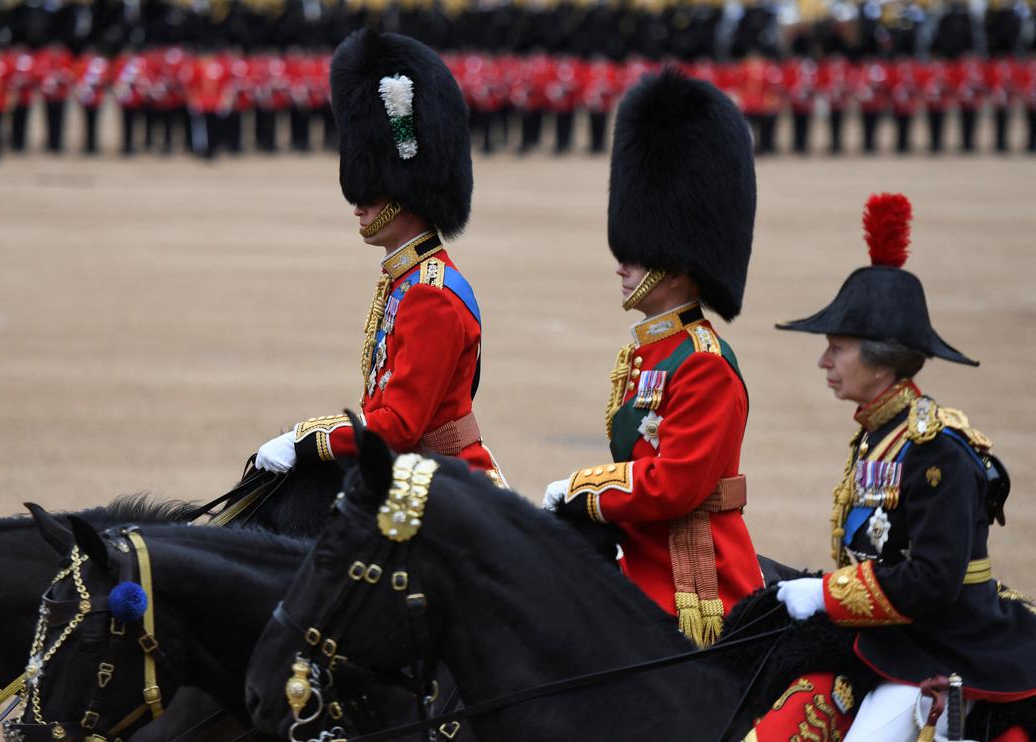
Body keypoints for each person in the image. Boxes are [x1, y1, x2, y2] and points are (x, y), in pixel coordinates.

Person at [757, 193, 1036, 742]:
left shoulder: (935, 449)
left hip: (945, 645)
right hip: (889, 637)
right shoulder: (881, 433)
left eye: (837, 348)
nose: (824, 361)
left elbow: (933, 581)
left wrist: (826, 594)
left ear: (881, 361)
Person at [544, 69, 763, 649]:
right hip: (640, 554)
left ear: (677, 262)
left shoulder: (703, 362)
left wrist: (583, 489)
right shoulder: (649, 353)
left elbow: (674, 488)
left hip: (694, 578)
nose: (622, 266)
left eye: (637, 257)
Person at [253, 29, 505, 485]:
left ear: (408, 195)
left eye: (371, 191)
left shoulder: (431, 294)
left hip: (446, 484)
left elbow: (401, 425)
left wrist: (307, 439)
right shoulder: (406, 279)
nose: (358, 204)